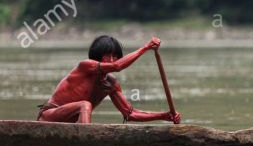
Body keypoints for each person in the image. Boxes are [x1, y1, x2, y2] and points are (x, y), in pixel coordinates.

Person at [37, 35, 181, 124]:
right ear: (97, 56)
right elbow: (117, 66)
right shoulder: (86, 66)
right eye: (107, 55)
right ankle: (85, 145)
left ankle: (84, 140)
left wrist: (164, 115)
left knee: (84, 106)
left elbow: (130, 114)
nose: (112, 59)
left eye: (115, 55)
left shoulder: (110, 84)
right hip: (49, 117)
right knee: (84, 105)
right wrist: (145, 47)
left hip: (71, 126)